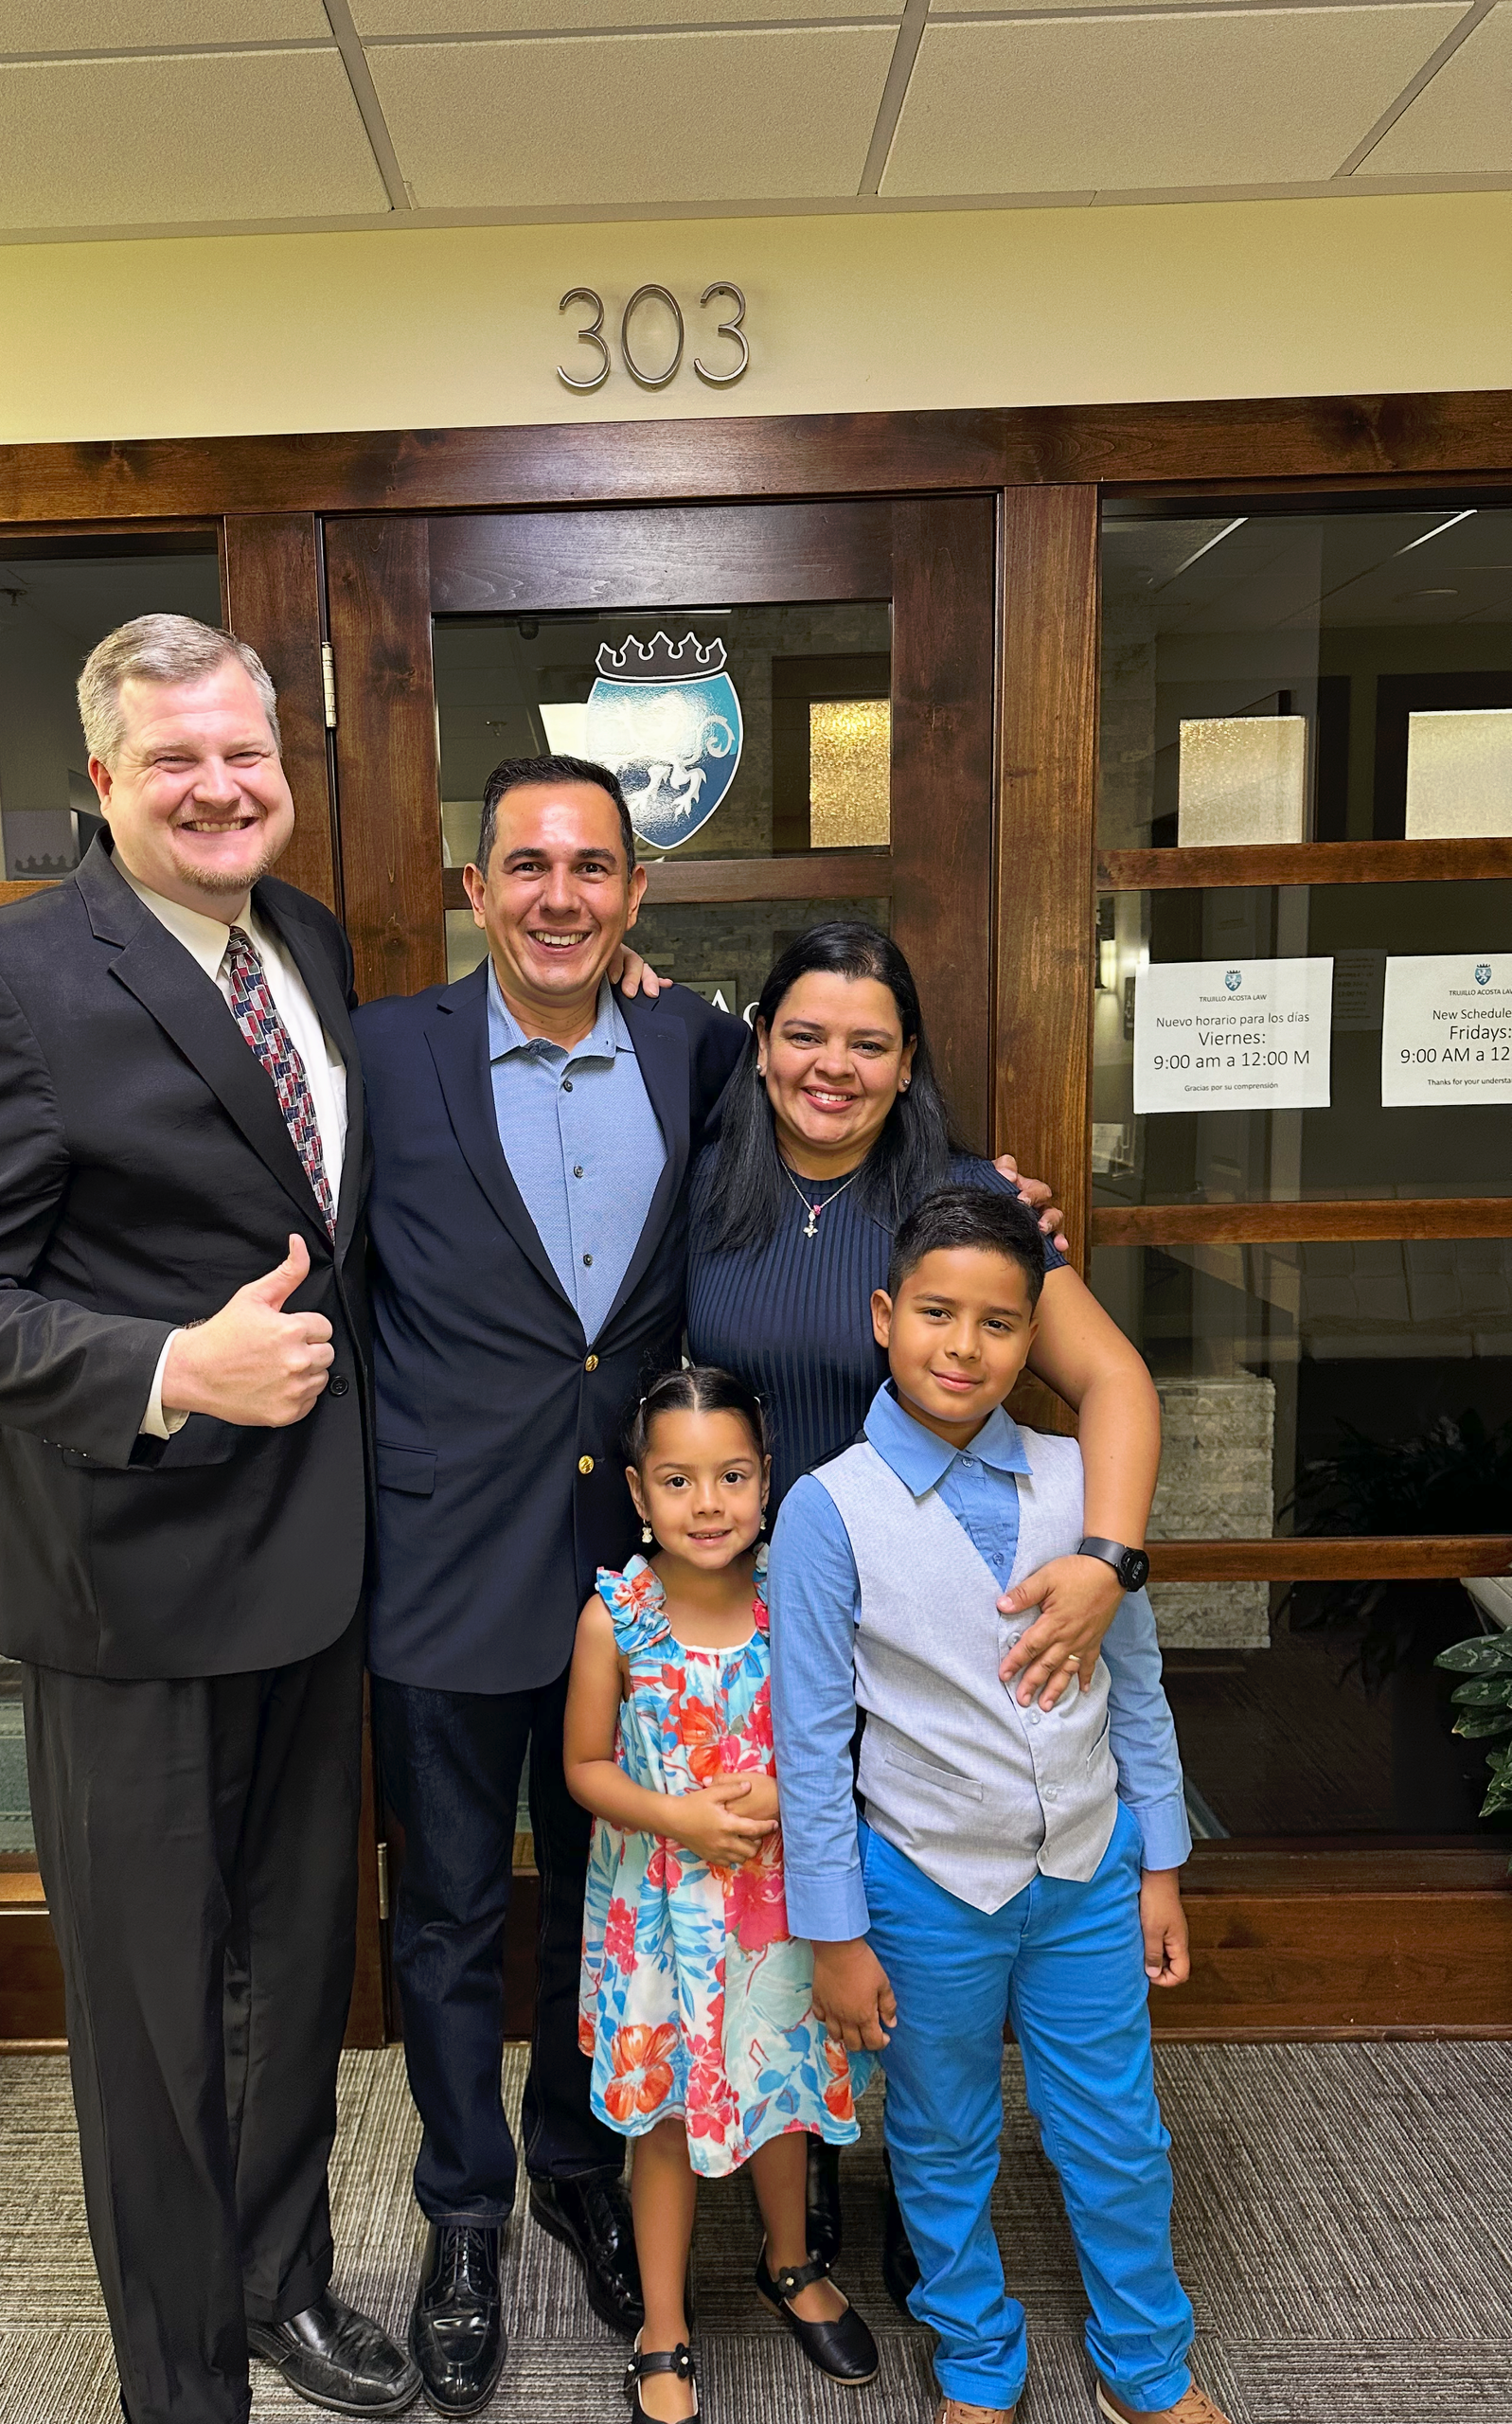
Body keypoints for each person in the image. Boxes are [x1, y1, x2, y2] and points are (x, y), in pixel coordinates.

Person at [355, 755, 1081, 2416]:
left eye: (593, 867)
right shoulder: (385, 1051)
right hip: (454, 1561)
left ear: (634, 899)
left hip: (667, 1567)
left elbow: (852, 1169)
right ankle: (462, 2225)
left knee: (613, 1915)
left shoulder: (698, 1051)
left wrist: (998, 1208)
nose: (559, 893)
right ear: (477, 888)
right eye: (526, 865)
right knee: (459, 1912)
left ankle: (582, 2175)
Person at [0, 615, 417, 2424]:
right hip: (133, 1590)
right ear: (104, 779)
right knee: (157, 2022)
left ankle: (284, 2289)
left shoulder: (310, 943)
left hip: (313, 1572)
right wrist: (172, 1364)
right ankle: (180, 2382)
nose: (219, 786)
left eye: (244, 754)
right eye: (175, 758)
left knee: (296, 1981)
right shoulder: (0, 977)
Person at [686, 920, 1165, 2301]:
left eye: (870, 1042)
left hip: (938, 1607)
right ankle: (797, 2214)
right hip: (761, 1604)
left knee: (919, 1919)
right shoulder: (707, 1173)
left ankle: (916, 2200)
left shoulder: (964, 1198)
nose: (832, 1065)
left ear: (910, 1066)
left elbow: (1116, 1384)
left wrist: (1108, 1560)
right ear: (759, 1040)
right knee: (785, 1913)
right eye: (804, 1033)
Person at [769, 1186, 1231, 2424]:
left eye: (999, 1323)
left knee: (1119, 2140)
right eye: (935, 1314)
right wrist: (837, 1933)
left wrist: (1162, 1864)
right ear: (884, 1317)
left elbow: (1136, 1686)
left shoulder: (1089, 1482)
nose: (963, 1346)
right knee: (941, 2140)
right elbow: (810, 1746)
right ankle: (977, 2358)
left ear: (1037, 1339)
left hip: (1087, 1870)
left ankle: (1149, 2361)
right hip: (925, 1889)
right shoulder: (826, 1510)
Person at [565, 1366, 878, 2424]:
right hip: (662, 1921)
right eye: (680, 1480)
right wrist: (682, 1816)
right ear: (640, 1492)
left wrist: (788, 1794)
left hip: (776, 1912)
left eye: (733, 1476)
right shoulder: (619, 1618)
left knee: (783, 2095)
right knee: (661, 2121)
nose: (710, 1504)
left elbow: (840, 1734)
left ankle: (790, 2263)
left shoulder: (798, 1595)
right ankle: (662, 2320)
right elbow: (585, 1769)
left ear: (768, 1478)